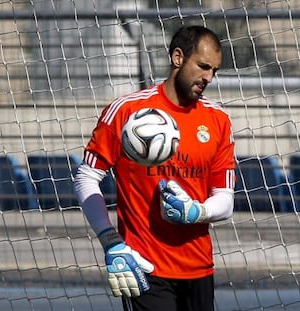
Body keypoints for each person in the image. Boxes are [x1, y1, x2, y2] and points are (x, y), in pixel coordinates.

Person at [74, 25, 236, 311]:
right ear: (177, 58)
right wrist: (111, 241)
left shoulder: (218, 119)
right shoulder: (126, 111)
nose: (209, 77)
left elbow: (225, 199)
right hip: (144, 267)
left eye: (214, 71)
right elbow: (86, 177)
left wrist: (197, 211)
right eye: (203, 66)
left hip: (199, 268)